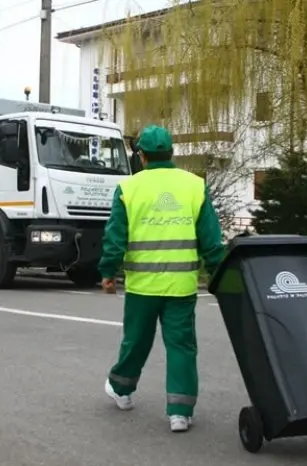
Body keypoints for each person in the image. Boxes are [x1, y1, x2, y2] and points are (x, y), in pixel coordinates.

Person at [98, 124, 226, 433]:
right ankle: (180, 412)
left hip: (143, 286)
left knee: (136, 341)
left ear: (141, 156)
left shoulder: (129, 188)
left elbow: (116, 236)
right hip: (181, 286)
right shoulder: (194, 185)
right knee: (181, 346)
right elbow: (211, 239)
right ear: (171, 153)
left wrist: (107, 272)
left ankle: (123, 391)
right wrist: (221, 274)